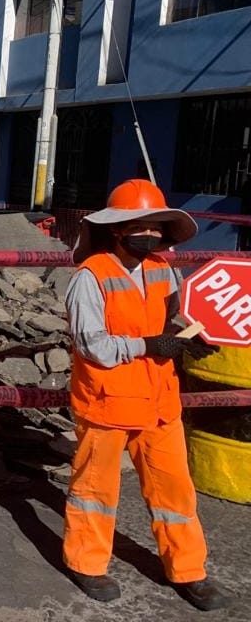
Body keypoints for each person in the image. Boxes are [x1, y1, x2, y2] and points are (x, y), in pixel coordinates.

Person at [64, 178, 228, 611]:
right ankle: (86, 564)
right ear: (117, 229)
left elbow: (173, 318)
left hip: (159, 404)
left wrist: (190, 336)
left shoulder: (163, 270)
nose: (151, 234)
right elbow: (91, 344)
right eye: (141, 226)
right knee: (95, 492)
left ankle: (189, 571)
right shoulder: (90, 277)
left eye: (157, 228)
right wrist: (149, 346)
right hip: (107, 403)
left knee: (175, 493)